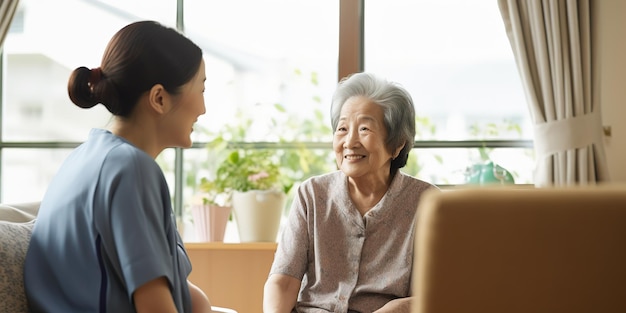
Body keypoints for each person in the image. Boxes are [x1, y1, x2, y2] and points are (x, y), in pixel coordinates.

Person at [24, 21, 212, 313]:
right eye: (201, 89)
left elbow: (181, 293)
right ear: (159, 98)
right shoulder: (131, 170)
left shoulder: (84, 159)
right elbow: (155, 307)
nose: (203, 109)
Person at [263, 72, 438, 313]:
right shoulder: (312, 195)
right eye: (343, 128)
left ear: (397, 144)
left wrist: (400, 308)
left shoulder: (428, 204)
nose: (350, 142)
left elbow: (437, 294)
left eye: (364, 129)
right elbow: (283, 281)